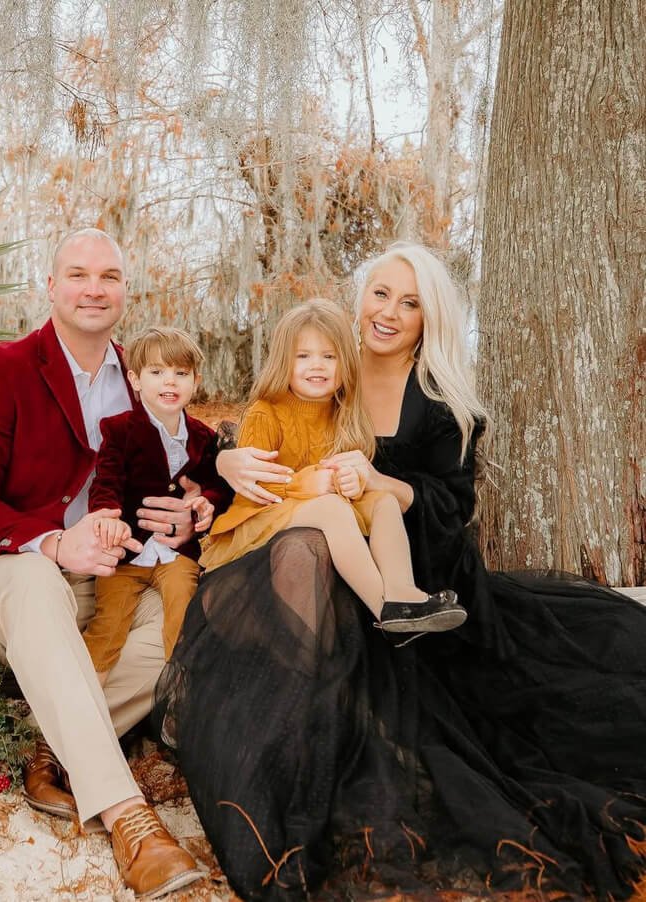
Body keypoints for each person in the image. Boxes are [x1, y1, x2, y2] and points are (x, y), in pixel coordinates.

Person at [156, 242, 646, 900]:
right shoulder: (326, 357)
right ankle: (296, 731)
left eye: (409, 303)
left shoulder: (441, 401)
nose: (388, 312)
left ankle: (345, 692)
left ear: (428, 319)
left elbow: (454, 503)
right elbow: (260, 420)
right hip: (308, 559)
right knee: (303, 546)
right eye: (381, 293)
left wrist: (380, 478)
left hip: (414, 566)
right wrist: (225, 462)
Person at [0, 228, 207, 898]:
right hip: (2, 578)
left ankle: (50, 747)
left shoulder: (142, 383)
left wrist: (191, 509)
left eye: (108, 276)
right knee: (33, 583)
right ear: (50, 287)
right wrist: (53, 543)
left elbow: (178, 475)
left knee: (190, 615)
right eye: (78, 274)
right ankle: (129, 819)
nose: (93, 288)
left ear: (124, 292)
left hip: (107, 580)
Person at [199, 299, 466, 637]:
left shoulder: (344, 413)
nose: (318, 366)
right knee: (330, 508)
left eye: (329, 357)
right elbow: (256, 486)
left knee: (382, 501)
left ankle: (403, 593)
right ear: (285, 360)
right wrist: (305, 486)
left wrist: (353, 482)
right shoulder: (265, 412)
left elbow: (349, 476)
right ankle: (383, 608)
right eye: (304, 356)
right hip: (263, 513)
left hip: (323, 508)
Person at [84, 326, 231, 686]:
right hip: (127, 550)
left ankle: (179, 692)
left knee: (184, 609)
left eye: (180, 373)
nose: (170, 382)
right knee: (110, 621)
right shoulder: (119, 430)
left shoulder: (204, 436)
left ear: (195, 380)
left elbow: (217, 486)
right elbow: (107, 481)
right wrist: (107, 517)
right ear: (135, 379)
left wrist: (207, 504)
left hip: (176, 552)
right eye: (157, 372)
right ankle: (85, 693)